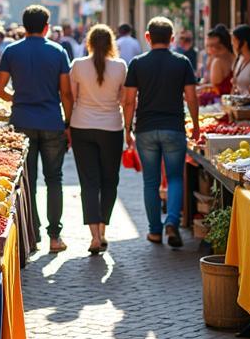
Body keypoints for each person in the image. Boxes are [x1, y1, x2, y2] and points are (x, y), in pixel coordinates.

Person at [0, 5, 74, 253]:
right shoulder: (58, 51)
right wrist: (68, 123)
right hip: (52, 121)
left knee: (27, 182)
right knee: (54, 180)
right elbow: (67, 93)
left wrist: (17, 100)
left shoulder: (11, 51)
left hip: (22, 122)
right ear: (46, 26)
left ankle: (31, 235)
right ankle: (55, 237)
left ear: (24, 26)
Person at [122, 17, 200, 248]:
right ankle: (172, 223)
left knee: (150, 181)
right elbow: (191, 97)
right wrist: (195, 125)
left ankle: (154, 231)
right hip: (174, 127)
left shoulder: (137, 63)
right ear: (172, 39)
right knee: (175, 177)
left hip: (145, 128)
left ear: (147, 37)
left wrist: (128, 129)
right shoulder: (182, 62)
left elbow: (129, 100)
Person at [69, 24, 127, 255]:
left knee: (89, 181)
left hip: (81, 125)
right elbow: (124, 100)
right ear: (111, 44)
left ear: (89, 43)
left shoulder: (78, 65)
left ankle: (94, 236)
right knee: (110, 180)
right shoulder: (121, 66)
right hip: (112, 127)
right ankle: (103, 230)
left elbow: (72, 97)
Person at [200, 25, 234, 96]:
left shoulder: (217, 61)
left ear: (221, 45)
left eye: (212, 45)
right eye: (207, 46)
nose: (209, 50)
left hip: (221, 101)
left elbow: (215, 88)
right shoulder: (233, 56)